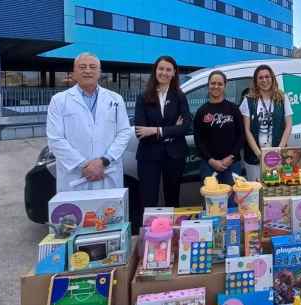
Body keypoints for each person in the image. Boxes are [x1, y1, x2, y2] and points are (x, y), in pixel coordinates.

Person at [46, 52, 131, 192]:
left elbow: (124, 132)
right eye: (82, 67)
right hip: (75, 176)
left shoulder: (116, 99)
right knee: (73, 214)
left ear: (99, 72)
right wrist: (84, 166)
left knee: (108, 213)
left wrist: (104, 161)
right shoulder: (59, 101)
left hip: (107, 172)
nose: (87, 70)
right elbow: (55, 139)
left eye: (92, 67)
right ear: (74, 72)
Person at [134, 56, 192, 207]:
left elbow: (185, 127)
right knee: (148, 199)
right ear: (155, 71)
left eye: (168, 70)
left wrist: (155, 130)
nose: (164, 73)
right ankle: (151, 230)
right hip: (149, 155)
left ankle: (171, 230)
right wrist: (172, 130)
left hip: (174, 155)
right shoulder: (143, 97)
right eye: (161, 69)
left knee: (172, 198)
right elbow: (140, 132)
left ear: (174, 73)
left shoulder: (180, 96)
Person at [240, 64, 293, 181]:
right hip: (254, 158)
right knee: (256, 193)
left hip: (277, 156)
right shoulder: (248, 101)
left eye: (267, 77)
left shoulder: (282, 98)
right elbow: (247, 130)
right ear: (256, 81)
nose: (264, 80)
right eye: (260, 78)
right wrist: (259, 154)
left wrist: (279, 150)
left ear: (272, 78)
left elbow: (288, 125)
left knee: (274, 191)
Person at [193, 70, 244, 186]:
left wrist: (230, 158)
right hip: (208, 165)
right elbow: (198, 140)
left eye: (220, 84)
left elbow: (241, 136)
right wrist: (211, 160)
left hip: (232, 164)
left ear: (225, 86)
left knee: (232, 200)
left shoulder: (233, 109)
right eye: (213, 83)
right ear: (208, 85)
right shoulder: (201, 111)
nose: (216, 86)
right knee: (212, 201)